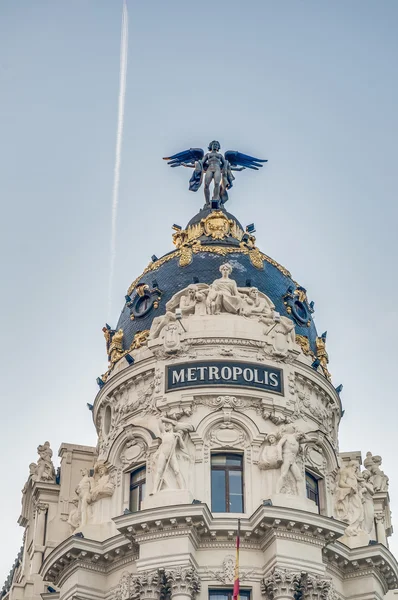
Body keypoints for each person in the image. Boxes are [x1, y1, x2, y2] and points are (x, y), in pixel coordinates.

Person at [150, 417, 190, 495]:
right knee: (159, 471)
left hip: (172, 455)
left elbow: (182, 447)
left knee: (177, 471)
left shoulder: (175, 435)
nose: (166, 426)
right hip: (163, 453)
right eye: (166, 425)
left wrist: (179, 437)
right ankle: (154, 489)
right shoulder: (163, 434)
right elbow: (160, 420)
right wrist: (171, 421)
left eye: (168, 425)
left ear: (172, 426)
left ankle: (182, 488)